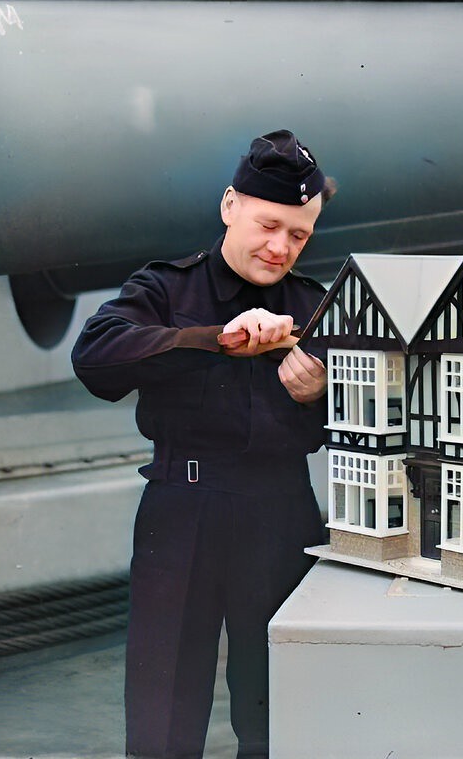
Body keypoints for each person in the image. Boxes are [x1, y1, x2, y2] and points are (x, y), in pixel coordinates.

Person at [71, 130, 335, 758]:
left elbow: (372, 418)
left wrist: (319, 395)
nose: (280, 248)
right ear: (229, 206)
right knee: (164, 707)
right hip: (181, 509)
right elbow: (96, 357)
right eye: (269, 225)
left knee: (280, 706)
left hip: (281, 511)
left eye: (298, 236)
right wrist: (215, 338)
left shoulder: (317, 305)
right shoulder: (165, 290)